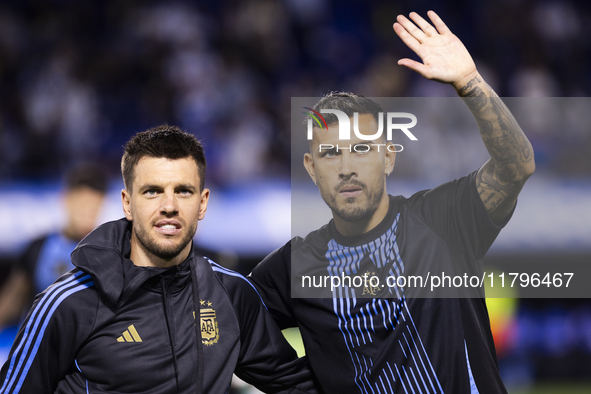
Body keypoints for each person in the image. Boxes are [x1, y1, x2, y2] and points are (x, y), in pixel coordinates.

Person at [249, 11, 535, 394]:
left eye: (362, 150)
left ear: (388, 157)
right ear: (311, 168)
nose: (347, 168)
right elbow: (228, 327)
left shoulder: (443, 218)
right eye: (331, 153)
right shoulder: (292, 267)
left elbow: (516, 167)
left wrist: (469, 82)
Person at [0, 126, 319, 393]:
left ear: (203, 202)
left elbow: (295, 385)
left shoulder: (231, 296)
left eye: (183, 191)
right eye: (152, 191)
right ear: (127, 203)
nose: (169, 205)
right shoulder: (67, 303)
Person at [0, 163, 108, 329]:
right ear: (66, 200)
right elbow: (12, 300)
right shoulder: (39, 248)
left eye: (94, 208)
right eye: (83, 205)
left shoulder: (107, 254)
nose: (88, 214)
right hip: (34, 350)